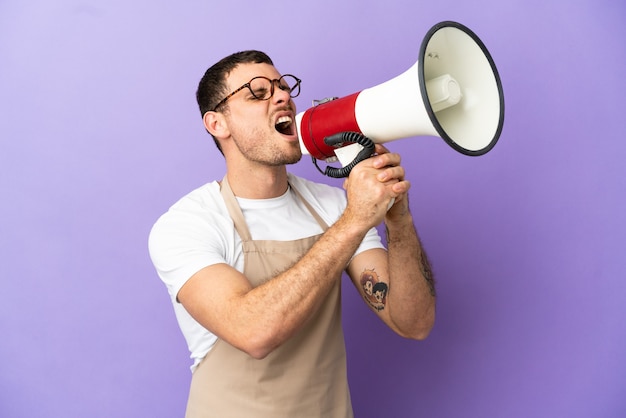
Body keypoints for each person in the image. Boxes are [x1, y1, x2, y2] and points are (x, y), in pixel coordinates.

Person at [148, 50, 436, 418]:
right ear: (217, 124)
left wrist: (398, 218)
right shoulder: (189, 223)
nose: (283, 96)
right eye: (258, 92)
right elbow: (253, 333)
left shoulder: (332, 205)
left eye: (284, 87)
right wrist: (356, 219)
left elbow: (413, 323)